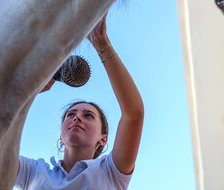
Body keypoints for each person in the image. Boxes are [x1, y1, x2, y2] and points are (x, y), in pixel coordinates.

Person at [15, 13, 144, 190]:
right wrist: (27, 92)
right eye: (71, 114)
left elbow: (134, 114)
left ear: (103, 139)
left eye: (89, 115)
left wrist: (101, 42)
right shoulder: (32, 171)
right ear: (61, 135)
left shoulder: (111, 172)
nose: (77, 118)